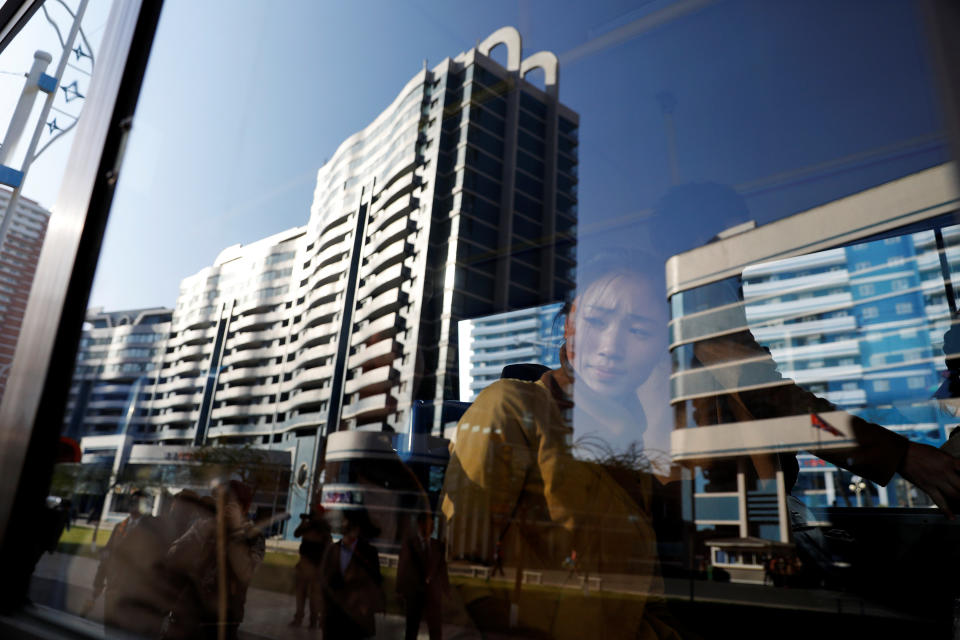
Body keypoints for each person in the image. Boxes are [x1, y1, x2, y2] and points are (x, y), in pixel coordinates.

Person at [442, 251, 683, 639]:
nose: (610, 346)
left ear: (661, 346)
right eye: (595, 321)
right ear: (569, 324)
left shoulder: (632, 454)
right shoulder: (513, 408)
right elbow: (462, 577)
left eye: (638, 331)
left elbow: (641, 601)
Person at [163, 480, 265, 640]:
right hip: (186, 614)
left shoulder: (253, 536)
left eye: (228, 503)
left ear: (243, 508)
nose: (222, 507)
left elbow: (246, 574)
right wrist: (201, 533)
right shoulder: (203, 527)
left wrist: (236, 532)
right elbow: (172, 556)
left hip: (222, 623)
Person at [87, 489, 169, 635]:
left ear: (147, 506)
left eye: (140, 502)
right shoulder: (119, 527)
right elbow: (106, 556)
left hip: (134, 595)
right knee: (110, 632)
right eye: (133, 501)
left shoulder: (152, 530)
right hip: (113, 590)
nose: (135, 505)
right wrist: (98, 584)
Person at [320, 508, 385, 640]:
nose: (344, 524)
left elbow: (375, 582)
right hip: (333, 618)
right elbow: (324, 581)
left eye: (347, 522)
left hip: (357, 619)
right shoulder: (332, 550)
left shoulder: (369, 553)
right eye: (343, 522)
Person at [397, 512, 449, 640]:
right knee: (412, 629)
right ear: (420, 525)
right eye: (429, 524)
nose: (432, 528)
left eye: (433, 525)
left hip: (433, 597)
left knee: (436, 630)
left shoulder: (438, 546)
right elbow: (403, 569)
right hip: (415, 595)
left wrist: (446, 591)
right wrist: (400, 591)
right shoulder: (409, 544)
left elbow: (442, 570)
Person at [289, 506, 332, 628]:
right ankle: (299, 617)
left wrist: (323, 567)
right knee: (300, 594)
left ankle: (313, 620)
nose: (313, 515)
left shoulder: (324, 528)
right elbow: (296, 533)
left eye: (315, 513)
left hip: (316, 567)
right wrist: (303, 522)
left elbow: (328, 548)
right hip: (303, 565)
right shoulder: (308, 526)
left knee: (315, 596)